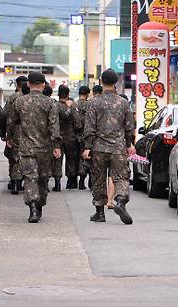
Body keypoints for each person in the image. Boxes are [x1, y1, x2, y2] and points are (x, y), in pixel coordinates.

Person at [82, 69, 135, 224]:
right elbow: (129, 126)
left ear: (101, 81)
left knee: (98, 178)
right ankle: (120, 201)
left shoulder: (94, 102)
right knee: (121, 176)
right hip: (118, 147)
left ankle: (99, 213)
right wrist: (128, 144)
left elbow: (89, 127)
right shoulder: (123, 103)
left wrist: (87, 147)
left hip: (99, 147)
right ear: (115, 82)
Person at [7, 72, 62, 223]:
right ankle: (39, 205)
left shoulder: (19, 102)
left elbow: (11, 122)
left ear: (29, 85)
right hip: (45, 148)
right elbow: (54, 126)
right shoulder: (50, 103)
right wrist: (56, 145)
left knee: (30, 177)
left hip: (26, 147)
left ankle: (32, 207)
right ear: (43, 84)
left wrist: (10, 138)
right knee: (43, 178)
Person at [4, 75, 28, 194]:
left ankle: (14, 182)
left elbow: (6, 115)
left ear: (16, 85)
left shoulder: (13, 98)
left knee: (14, 157)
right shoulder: (29, 97)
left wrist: (6, 134)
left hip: (15, 130)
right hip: (29, 130)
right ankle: (21, 180)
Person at [57, 85, 83, 189]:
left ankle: (57, 182)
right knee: (71, 159)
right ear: (68, 94)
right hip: (71, 137)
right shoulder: (73, 106)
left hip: (58, 136)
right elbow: (78, 123)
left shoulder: (54, 105)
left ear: (58, 94)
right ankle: (71, 181)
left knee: (57, 159)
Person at [75, 85, 91, 190]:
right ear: (88, 94)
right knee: (89, 158)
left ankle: (78, 181)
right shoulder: (90, 105)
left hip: (75, 136)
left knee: (78, 158)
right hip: (87, 135)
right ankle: (88, 181)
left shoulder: (73, 105)